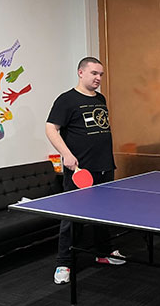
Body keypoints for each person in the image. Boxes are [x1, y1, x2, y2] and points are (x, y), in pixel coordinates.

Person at [45, 57, 125, 285]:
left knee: (104, 213)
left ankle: (103, 253)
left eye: (101, 74)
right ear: (81, 72)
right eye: (93, 73)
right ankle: (64, 262)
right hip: (80, 170)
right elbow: (51, 128)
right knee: (73, 218)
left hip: (104, 167)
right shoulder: (66, 100)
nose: (98, 78)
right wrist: (67, 155)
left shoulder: (100, 99)